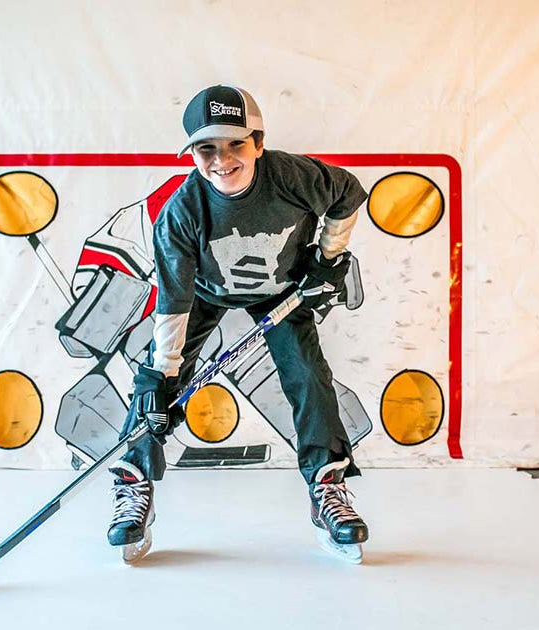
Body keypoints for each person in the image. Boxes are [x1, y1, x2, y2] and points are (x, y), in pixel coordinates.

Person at [107, 85, 369, 563]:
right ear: (192, 154)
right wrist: (162, 375)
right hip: (205, 294)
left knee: (308, 375)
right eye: (207, 148)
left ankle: (327, 484)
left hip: (282, 293)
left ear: (258, 142)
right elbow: (173, 302)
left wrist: (328, 257)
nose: (221, 160)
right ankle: (133, 480)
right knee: (154, 388)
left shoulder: (292, 176)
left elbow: (348, 194)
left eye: (235, 145)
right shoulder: (182, 214)